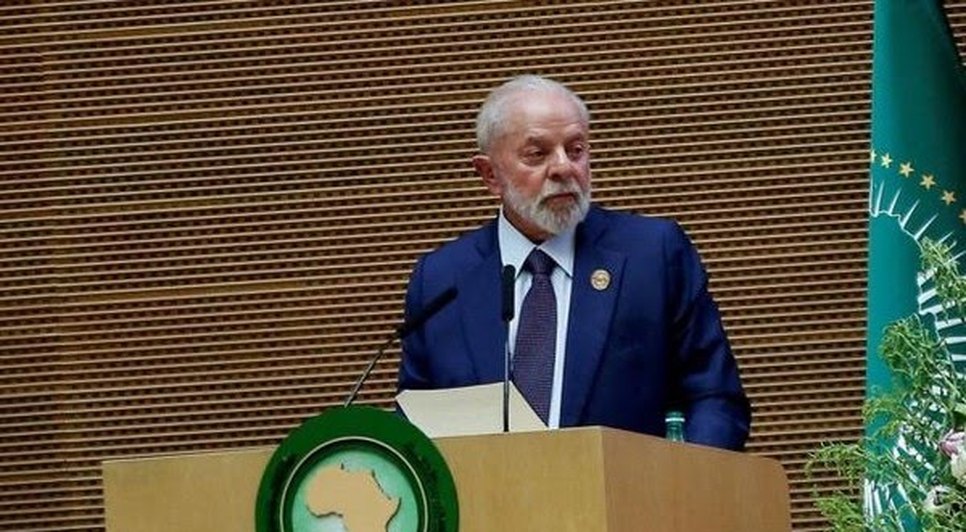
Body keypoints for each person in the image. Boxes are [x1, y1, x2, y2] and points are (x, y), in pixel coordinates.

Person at [397, 75, 750, 451]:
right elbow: (415, 424)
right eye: (537, 154)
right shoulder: (442, 281)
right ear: (490, 175)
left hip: (627, 487)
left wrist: (682, 481)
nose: (563, 167)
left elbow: (715, 399)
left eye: (576, 149)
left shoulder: (653, 256)